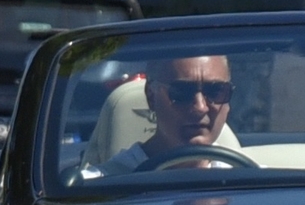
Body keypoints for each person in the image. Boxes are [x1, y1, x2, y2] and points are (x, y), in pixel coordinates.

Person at [90, 54, 240, 177]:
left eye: (215, 91)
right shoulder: (96, 190)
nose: (200, 107)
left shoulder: (253, 183)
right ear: (151, 96)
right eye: (181, 92)